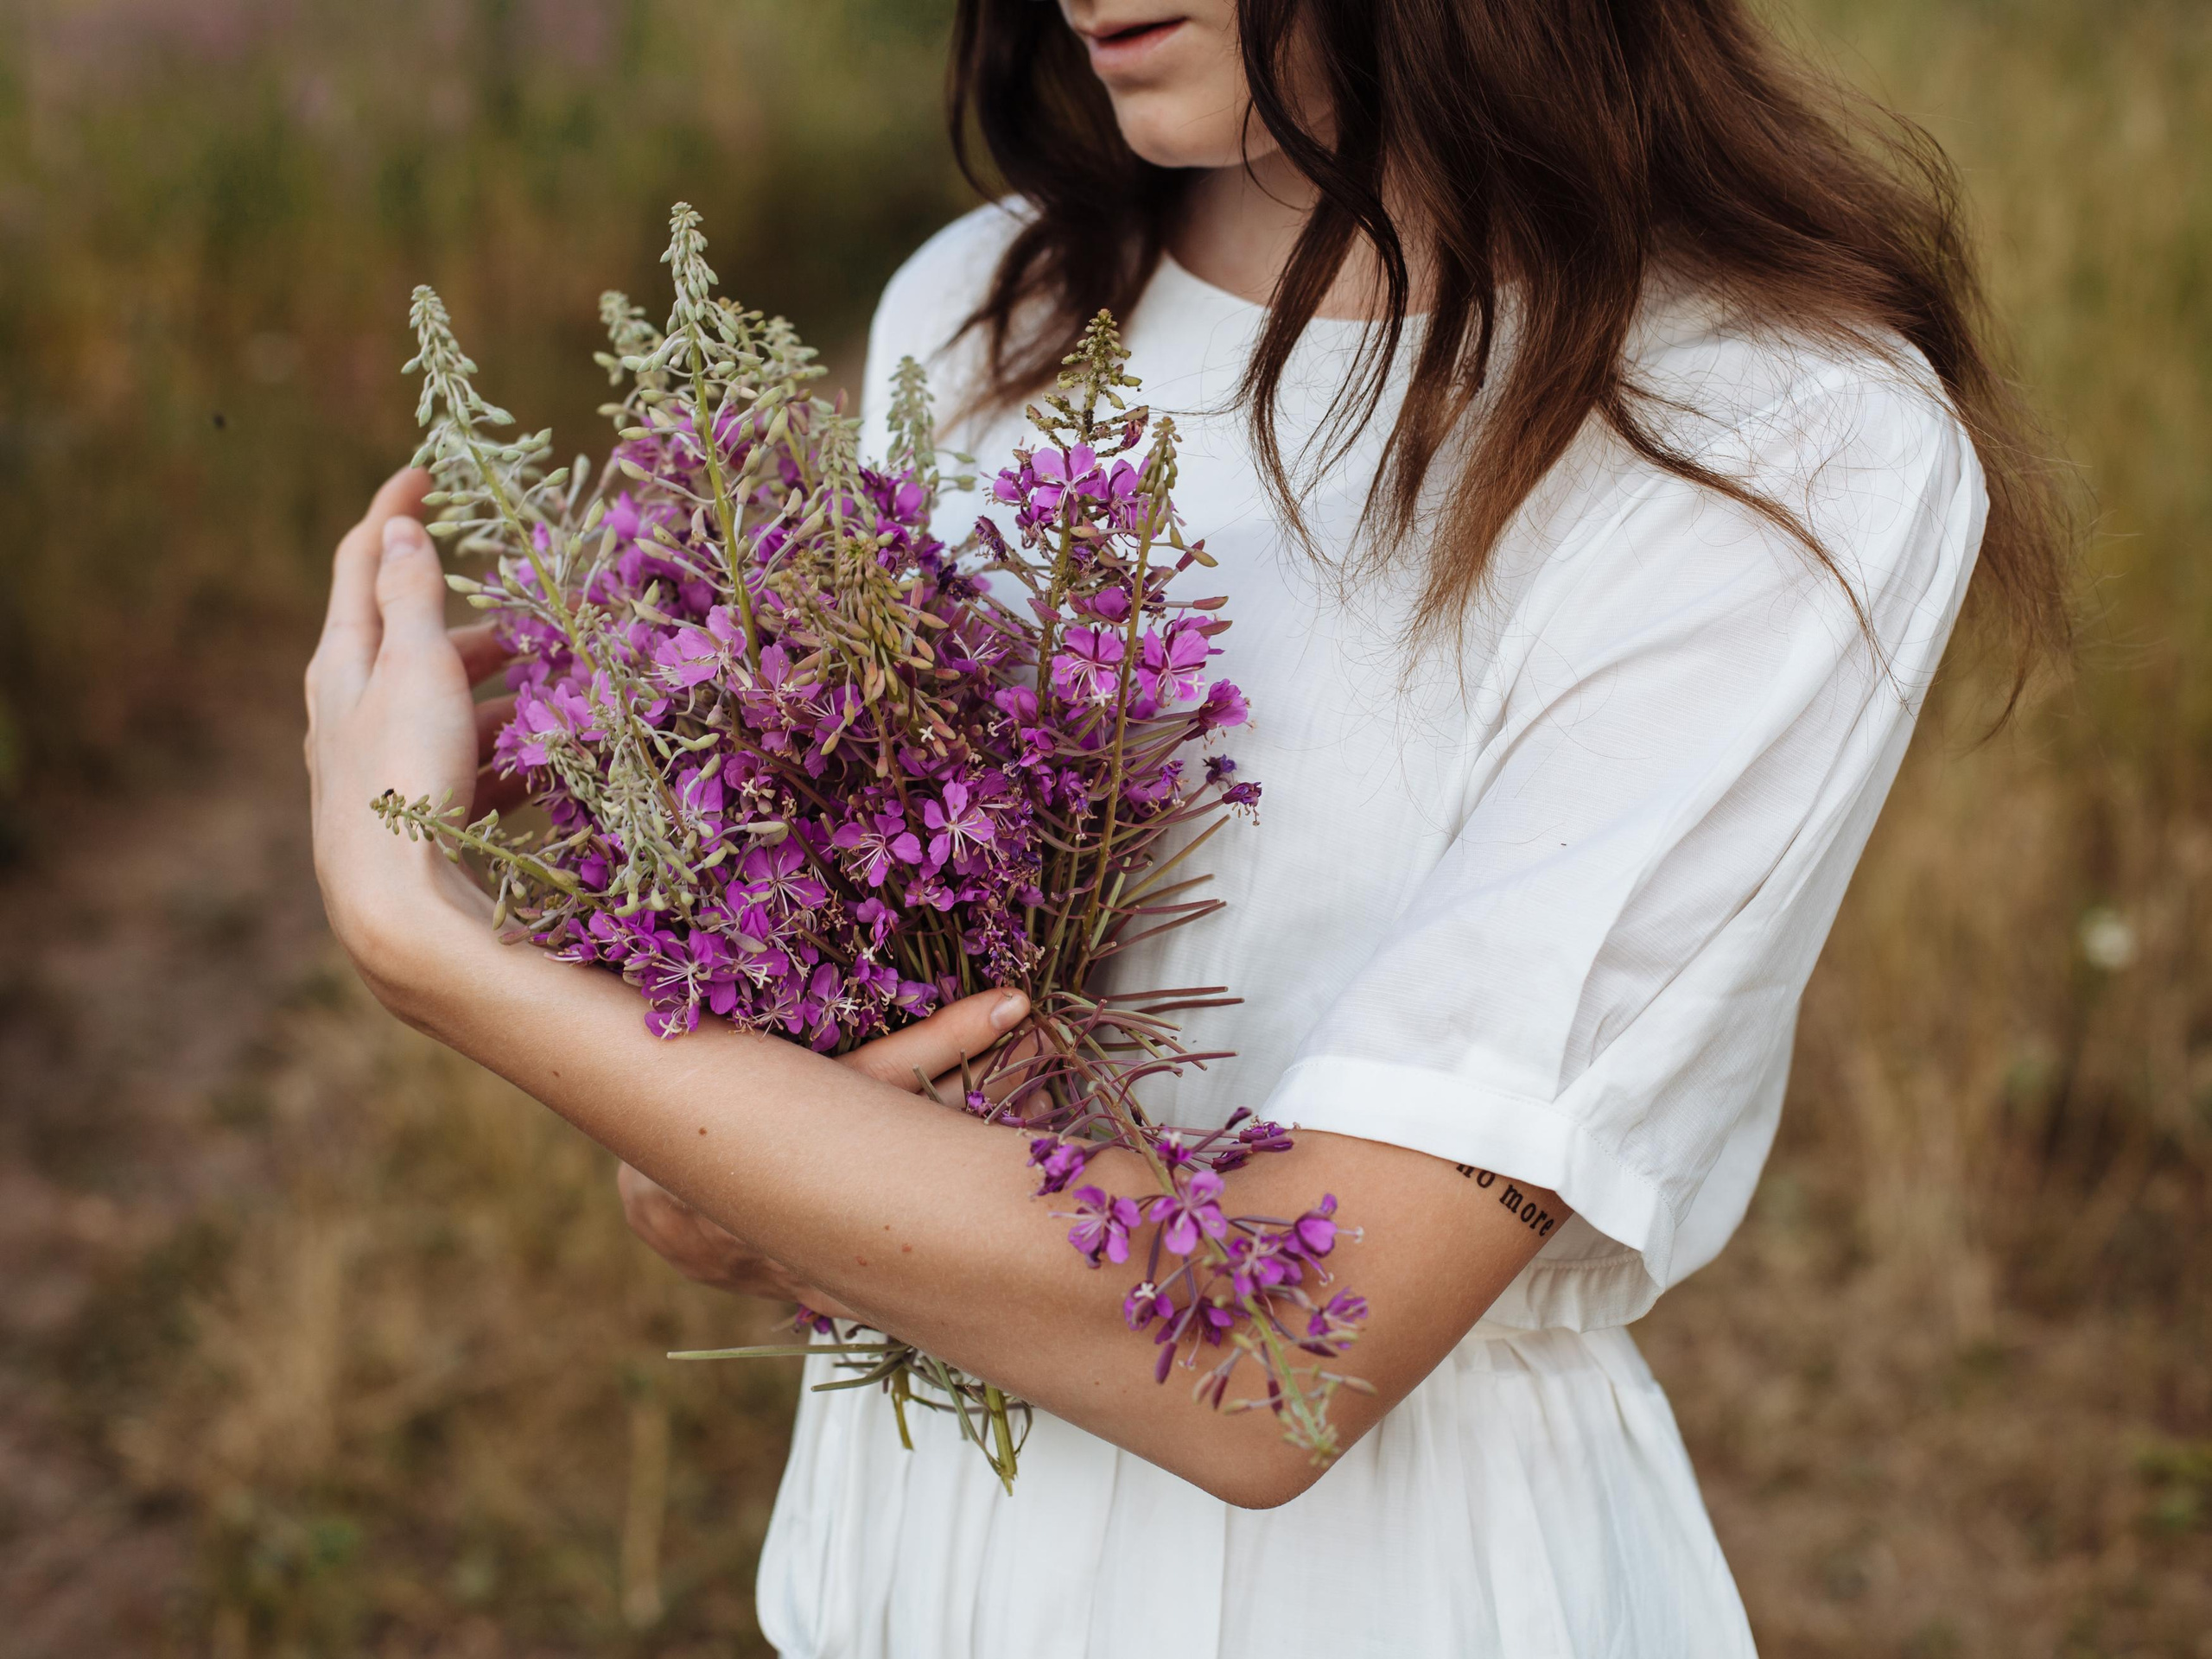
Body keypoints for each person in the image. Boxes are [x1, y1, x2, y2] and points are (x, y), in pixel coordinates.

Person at [305, 2, 2069, 1654]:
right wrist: (713, 1157)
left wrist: (439, 948)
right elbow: (762, 1140)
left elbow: (1280, 1352)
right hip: (899, 1572)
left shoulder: (1770, 442)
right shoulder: (984, 303)